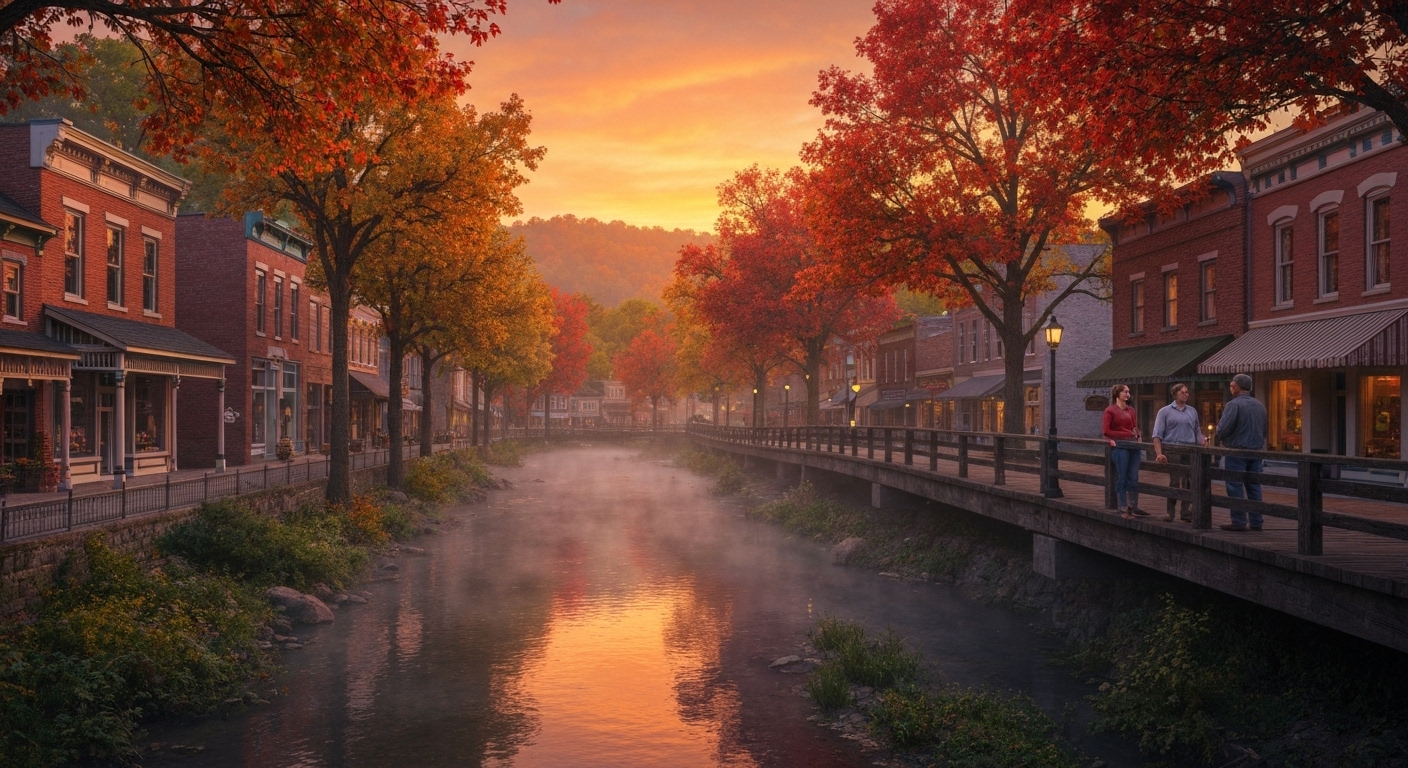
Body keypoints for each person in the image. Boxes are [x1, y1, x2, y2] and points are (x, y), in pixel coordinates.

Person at [1215, 373, 1268, 531]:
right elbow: (1264, 430)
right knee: (1254, 486)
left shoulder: (1234, 405)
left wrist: (1222, 436)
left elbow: (1223, 428)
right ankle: (1256, 521)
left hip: (1237, 450)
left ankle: (1238, 520)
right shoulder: (1260, 405)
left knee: (1234, 485)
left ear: (1237, 387)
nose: (1230, 388)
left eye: (1232, 385)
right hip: (1256, 451)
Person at [1153, 382, 1205, 522]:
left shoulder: (1192, 411)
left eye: (1187, 392)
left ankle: (1186, 512)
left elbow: (1197, 431)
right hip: (1173, 448)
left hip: (1189, 450)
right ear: (1175, 394)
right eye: (1182, 392)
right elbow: (1157, 434)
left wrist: (1203, 441)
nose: (1185, 394)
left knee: (1189, 482)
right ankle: (1170, 513)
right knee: (1175, 481)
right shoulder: (1165, 411)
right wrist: (1159, 453)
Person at [1102, 383, 1145, 518]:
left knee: (1133, 476)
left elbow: (1134, 427)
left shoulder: (1131, 410)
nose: (1127, 394)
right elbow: (1106, 431)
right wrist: (1124, 434)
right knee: (1122, 476)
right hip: (1120, 445)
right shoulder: (1110, 410)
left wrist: (1137, 435)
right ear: (1117, 394)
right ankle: (1122, 506)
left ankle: (1134, 505)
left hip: (1133, 445)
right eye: (1125, 392)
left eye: (1128, 392)